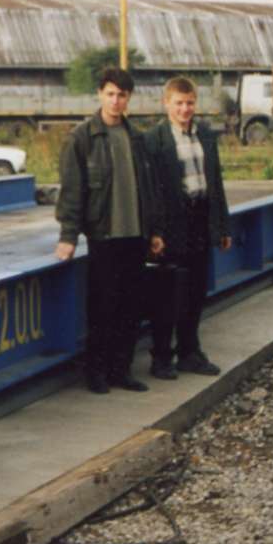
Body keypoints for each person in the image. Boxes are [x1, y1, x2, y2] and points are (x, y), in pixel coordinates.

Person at [55, 66, 165, 393]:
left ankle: (122, 370)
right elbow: (72, 192)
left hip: (135, 235)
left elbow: (150, 188)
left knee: (130, 308)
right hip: (104, 236)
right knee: (103, 308)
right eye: (111, 94)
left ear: (129, 98)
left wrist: (155, 231)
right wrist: (68, 237)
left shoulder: (137, 138)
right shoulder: (82, 138)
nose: (116, 101)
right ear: (100, 95)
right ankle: (96, 372)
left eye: (122, 95)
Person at [143, 76, 232, 378]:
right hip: (171, 225)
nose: (185, 109)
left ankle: (190, 352)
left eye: (190, 103)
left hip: (200, 220)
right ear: (166, 103)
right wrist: (155, 232)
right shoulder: (154, 140)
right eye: (178, 103)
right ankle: (161, 357)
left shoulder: (204, 134)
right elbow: (151, 190)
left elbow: (215, 181)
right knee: (168, 294)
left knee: (196, 292)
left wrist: (222, 226)